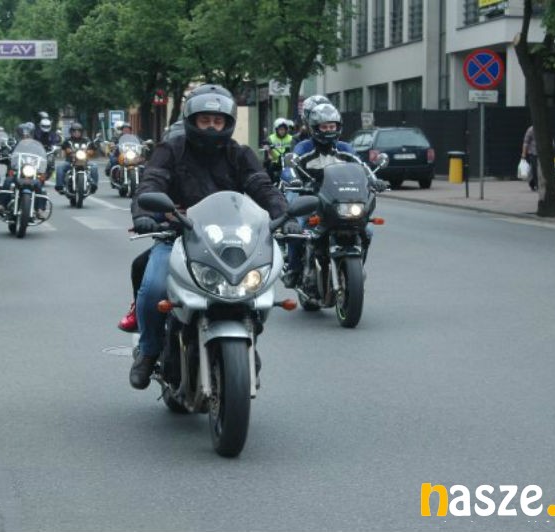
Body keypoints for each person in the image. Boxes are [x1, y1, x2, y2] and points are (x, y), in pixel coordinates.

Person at [127, 83, 300, 390]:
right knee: (154, 288)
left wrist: (285, 216)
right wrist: (144, 212)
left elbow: (262, 186)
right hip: (178, 236)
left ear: (227, 123)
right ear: (191, 120)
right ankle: (149, 351)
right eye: (204, 119)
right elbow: (151, 182)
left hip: (231, 240)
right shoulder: (171, 150)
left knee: (256, 289)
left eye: (217, 121)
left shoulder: (239, 154)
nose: (210, 126)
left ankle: (248, 342)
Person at [282, 103, 388, 288]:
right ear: (314, 128)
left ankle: (355, 269)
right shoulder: (303, 148)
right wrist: (294, 180)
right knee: (299, 230)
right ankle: (294, 269)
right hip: (311, 197)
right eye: (324, 127)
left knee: (367, 231)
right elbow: (289, 167)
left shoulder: (345, 148)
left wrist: (374, 180)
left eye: (332, 126)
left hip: (336, 200)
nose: (329, 130)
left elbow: (362, 167)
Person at [55, 122, 99, 194]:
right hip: (70, 162)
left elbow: (93, 148)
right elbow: (65, 147)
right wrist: (69, 151)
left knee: (94, 166)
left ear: (81, 132)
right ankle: (60, 186)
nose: (76, 133)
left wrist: (89, 151)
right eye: (74, 131)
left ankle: (94, 185)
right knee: (59, 167)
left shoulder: (87, 140)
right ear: (71, 132)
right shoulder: (68, 141)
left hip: (85, 162)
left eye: (78, 131)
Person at [261, 117, 292, 184]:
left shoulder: (290, 138)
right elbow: (266, 145)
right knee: (269, 166)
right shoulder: (271, 138)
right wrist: (266, 146)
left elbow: (294, 145)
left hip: (287, 160)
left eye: (284, 129)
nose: (282, 131)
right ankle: (269, 183)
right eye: (280, 129)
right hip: (275, 160)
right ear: (276, 129)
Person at [521, 125, 538, 191]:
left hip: (543, 153)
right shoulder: (531, 130)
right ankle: (534, 183)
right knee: (534, 170)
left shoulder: (545, 129)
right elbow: (526, 142)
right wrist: (523, 154)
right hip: (533, 153)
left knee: (538, 170)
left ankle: (536, 183)